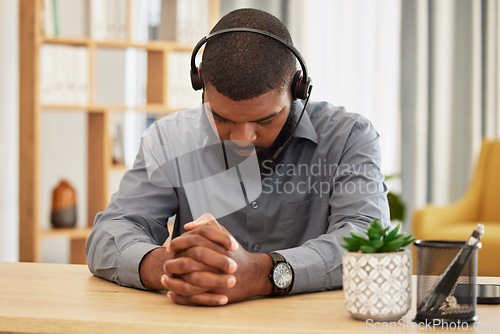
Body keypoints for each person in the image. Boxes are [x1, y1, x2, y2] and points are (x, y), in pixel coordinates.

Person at [85, 8, 390, 306]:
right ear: (200, 85)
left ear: (297, 89)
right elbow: (112, 231)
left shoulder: (350, 137)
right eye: (222, 118)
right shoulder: (170, 139)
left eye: (264, 120)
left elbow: (364, 238)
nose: (242, 139)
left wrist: (262, 273)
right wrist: (170, 268)